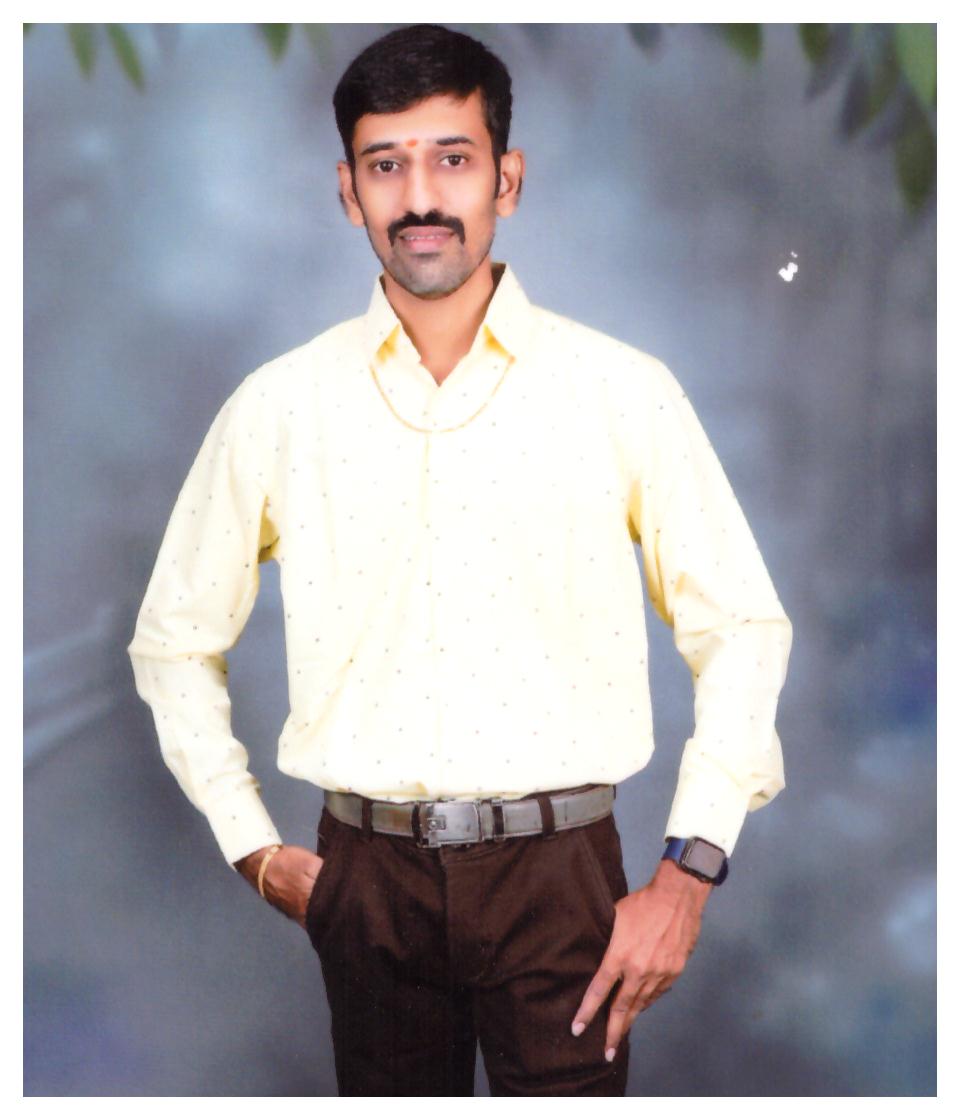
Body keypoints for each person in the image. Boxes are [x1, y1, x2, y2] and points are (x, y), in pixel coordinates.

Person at [128, 24, 792, 1097]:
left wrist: (688, 873)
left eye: (453, 157)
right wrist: (253, 846)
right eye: (387, 165)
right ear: (348, 191)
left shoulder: (621, 391)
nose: (421, 196)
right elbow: (173, 641)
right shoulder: (279, 406)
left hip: (563, 879)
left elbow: (743, 630)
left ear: (506, 180)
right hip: (366, 881)